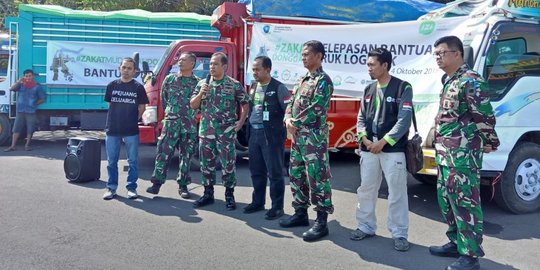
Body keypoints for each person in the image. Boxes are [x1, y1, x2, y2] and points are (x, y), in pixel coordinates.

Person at [428, 36, 499, 270]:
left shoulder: (471, 81)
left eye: (442, 53)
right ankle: (455, 242)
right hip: (446, 153)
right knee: (447, 200)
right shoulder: (449, 80)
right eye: (436, 53)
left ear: (457, 54)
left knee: (464, 202)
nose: (438, 57)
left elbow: (484, 115)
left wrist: (489, 140)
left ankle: (470, 255)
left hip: (463, 155)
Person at [351, 48, 413, 252]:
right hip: (369, 148)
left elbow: (404, 121)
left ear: (385, 65)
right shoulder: (368, 89)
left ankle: (399, 233)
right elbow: (360, 118)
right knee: (366, 189)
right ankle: (365, 226)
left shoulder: (403, 87)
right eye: (368, 64)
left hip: (392, 150)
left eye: (372, 65)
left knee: (397, 192)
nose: (368, 68)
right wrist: (364, 139)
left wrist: (383, 142)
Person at [279, 40, 334, 242]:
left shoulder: (323, 81)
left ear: (319, 56)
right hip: (298, 138)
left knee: (317, 178)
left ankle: (321, 222)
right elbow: (291, 102)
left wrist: (295, 122)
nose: (303, 57)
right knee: (296, 174)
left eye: (307, 54)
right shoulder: (302, 79)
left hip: (314, 140)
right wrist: (287, 118)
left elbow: (318, 108)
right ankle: (300, 213)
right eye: (302, 54)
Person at [190, 52, 250, 210]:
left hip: (226, 132)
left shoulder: (233, 84)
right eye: (210, 64)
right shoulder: (203, 83)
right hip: (206, 131)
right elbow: (193, 105)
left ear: (224, 66)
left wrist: (241, 122)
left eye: (215, 64)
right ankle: (208, 193)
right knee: (206, 164)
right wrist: (202, 92)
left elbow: (245, 103)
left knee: (228, 165)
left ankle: (229, 195)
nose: (212, 67)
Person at [243, 56, 290, 220]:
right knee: (256, 171)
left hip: (270, 136)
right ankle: (258, 202)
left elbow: (288, 110)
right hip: (254, 134)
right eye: (253, 69)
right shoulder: (254, 86)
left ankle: (277, 207)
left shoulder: (279, 87)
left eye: (257, 69)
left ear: (268, 70)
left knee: (275, 172)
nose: (254, 72)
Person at [146, 52, 199, 199]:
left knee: (186, 155)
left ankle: (183, 186)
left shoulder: (198, 83)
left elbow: (200, 104)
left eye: (183, 60)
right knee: (163, 153)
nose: (179, 63)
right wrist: (172, 114)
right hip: (171, 124)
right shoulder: (170, 80)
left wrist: (190, 115)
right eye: (179, 60)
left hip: (189, 125)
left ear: (192, 63)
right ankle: (156, 184)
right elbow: (164, 100)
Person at [102, 57, 149, 200]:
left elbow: (142, 107)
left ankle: (131, 188)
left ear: (135, 71)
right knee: (111, 161)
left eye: (130, 68)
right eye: (124, 67)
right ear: (119, 68)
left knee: (133, 161)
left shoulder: (138, 87)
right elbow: (110, 104)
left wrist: (133, 119)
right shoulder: (112, 85)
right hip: (112, 129)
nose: (126, 70)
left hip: (131, 130)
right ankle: (111, 188)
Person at [4, 69, 45, 152]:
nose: (28, 78)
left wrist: (34, 104)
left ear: (33, 76)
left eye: (30, 76)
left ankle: (27, 145)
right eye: (26, 76)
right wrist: (19, 81)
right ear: (24, 76)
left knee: (30, 129)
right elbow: (11, 89)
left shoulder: (37, 86)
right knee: (16, 128)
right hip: (20, 110)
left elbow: (42, 98)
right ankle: (13, 146)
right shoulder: (21, 85)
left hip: (31, 111)